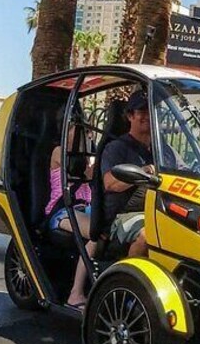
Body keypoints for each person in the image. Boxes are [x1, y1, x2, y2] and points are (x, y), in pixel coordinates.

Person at [100, 91, 161, 258]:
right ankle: (128, 281)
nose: (147, 116)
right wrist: (143, 173)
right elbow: (110, 183)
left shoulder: (164, 152)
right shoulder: (116, 148)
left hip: (159, 211)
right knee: (147, 235)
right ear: (130, 116)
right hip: (124, 216)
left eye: (151, 112)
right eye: (142, 111)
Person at [45, 113, 94, 310]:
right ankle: (75, 294)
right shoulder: (60, 151)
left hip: (87, 208)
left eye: (88, 132)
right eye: (80, 130)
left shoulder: (90, 154)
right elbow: (77, 170)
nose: (85, 135)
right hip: (63, 210)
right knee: (97, 232)